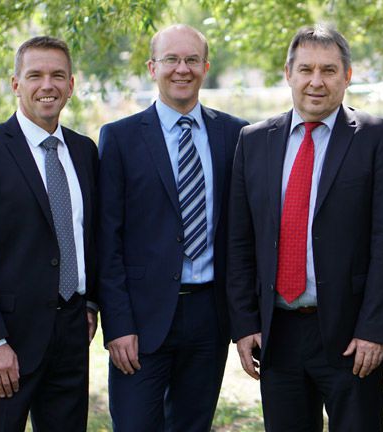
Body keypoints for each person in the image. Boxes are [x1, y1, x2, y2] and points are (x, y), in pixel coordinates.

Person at [226, 24, 383, 431]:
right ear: (288, 73)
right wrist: (244, 324)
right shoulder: (253, 141)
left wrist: (374, 330)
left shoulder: (377, 137)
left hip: (351, 337)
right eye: (305, 69)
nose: (316, 81)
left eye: (328, 70)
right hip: (278, 335)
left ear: (347, 76)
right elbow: (239, 241)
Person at [97, 24, 248, 431]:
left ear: (205, 66)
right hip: (142, 322)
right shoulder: (119, 138)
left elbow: (244, 235)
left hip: (209, 316)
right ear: (152, 67)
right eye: (171, 60)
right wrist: (118, 324)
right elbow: (106, 240)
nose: (181, 69)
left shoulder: (236, 135)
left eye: (191, 60)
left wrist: (245, 321)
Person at [0, 36, 98, 431]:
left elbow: (90, 236)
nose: (47, 85)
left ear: (71, 84)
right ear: (16, 84)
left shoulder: (85, 151)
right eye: (35, 75)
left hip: (71, 331)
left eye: (57, 75)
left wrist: (89, 304)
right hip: (8, 340)